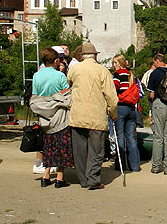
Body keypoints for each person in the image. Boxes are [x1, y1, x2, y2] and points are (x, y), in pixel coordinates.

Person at [67, 42, 118, 190]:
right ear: (95, 55)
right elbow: (112, 97)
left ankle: (83, 179)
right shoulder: (102, 71)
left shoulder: (74, 69)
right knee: (96, 151)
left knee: (80, 151)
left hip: (77, 116)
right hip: (96, 116)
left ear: (82, 56)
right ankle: (93, 179)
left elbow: (69, 82)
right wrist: (113, 113)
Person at [30, 47, 73, 188]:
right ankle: (60, 177)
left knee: (48, 145)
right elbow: (66, 93)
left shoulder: (37, 75)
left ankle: (46, 175)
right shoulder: (59, 76)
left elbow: (35, 94)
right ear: (56, 60)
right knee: (62, 145)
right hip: (59, 114)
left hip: (44, 113)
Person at [147, 53, 167, 175]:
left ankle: (156, 166)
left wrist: (152, 105)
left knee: (158, 136)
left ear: (157, 61)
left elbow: (151, 94)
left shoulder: (154, 74)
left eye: (154, 62)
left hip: (159, 104)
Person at [112, 54, 141, 173]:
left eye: (115, 63)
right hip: (131, 108)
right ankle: (135, 165)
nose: (114, 65)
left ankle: (121, 165)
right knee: (131, 137)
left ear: (120, 63)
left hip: (121, 106)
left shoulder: (118, 75)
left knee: (120, 136)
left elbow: (113, 89)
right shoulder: (131, 75)